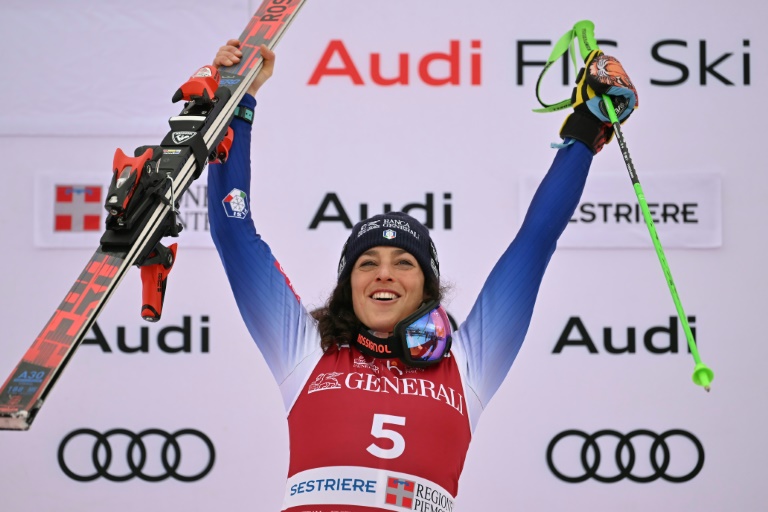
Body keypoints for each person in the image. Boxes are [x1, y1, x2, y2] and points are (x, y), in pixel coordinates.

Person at [208, 40, 637, 512]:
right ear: (347, 286)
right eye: (366, 263)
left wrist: (588, 125)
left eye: (404, 263)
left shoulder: (469, 364)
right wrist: (237, 99)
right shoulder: (307, 351)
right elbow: (234, 233)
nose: (383, 274)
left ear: (428, 287)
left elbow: (535, 241)